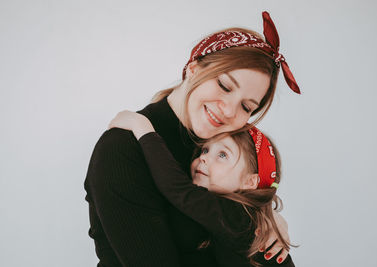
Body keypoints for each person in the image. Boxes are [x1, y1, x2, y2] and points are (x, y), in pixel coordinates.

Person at [84, 11, 300, 266]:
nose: (229, 110)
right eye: (224, 86)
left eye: (246, 107)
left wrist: (263, 216)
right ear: (194, 68)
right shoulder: (123, 148)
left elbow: (242, 199)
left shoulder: (221, 145)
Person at [108, 111, 295, 267]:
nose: (204, 158)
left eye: (222, 154)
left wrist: (142, 128)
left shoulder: (239, 217)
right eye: (205, 150)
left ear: (250, 182)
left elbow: (177, 189)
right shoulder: (240, 216)